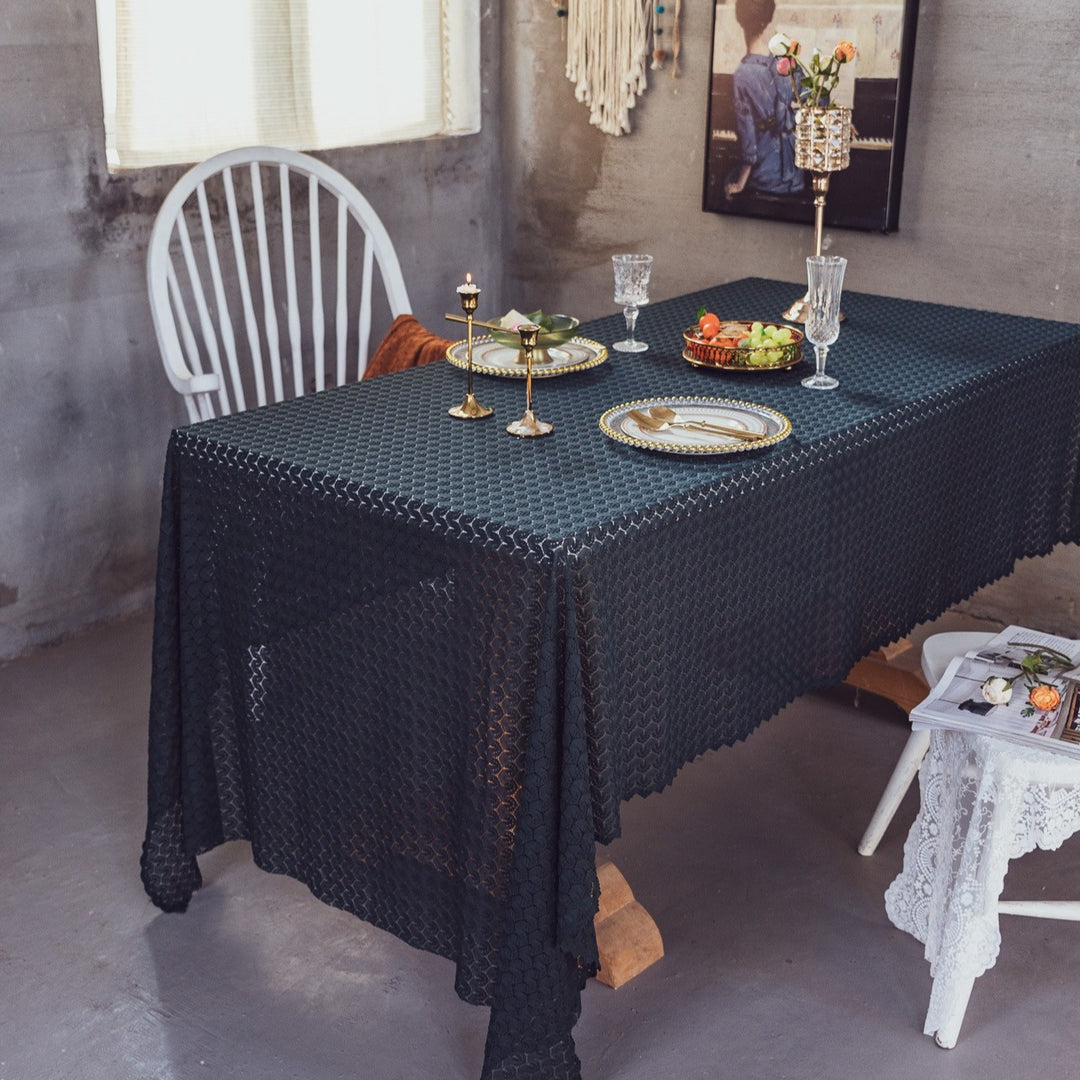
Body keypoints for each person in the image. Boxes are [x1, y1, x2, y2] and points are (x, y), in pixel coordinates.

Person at [724, 0, 804, 199]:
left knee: (726, 180)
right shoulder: (783, 60)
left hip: (766, 176)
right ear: (768, 19)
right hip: (796, 173)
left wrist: (740, 183)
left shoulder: (742, 74)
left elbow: (748, 141)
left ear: (739, 19)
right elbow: (811, 93)